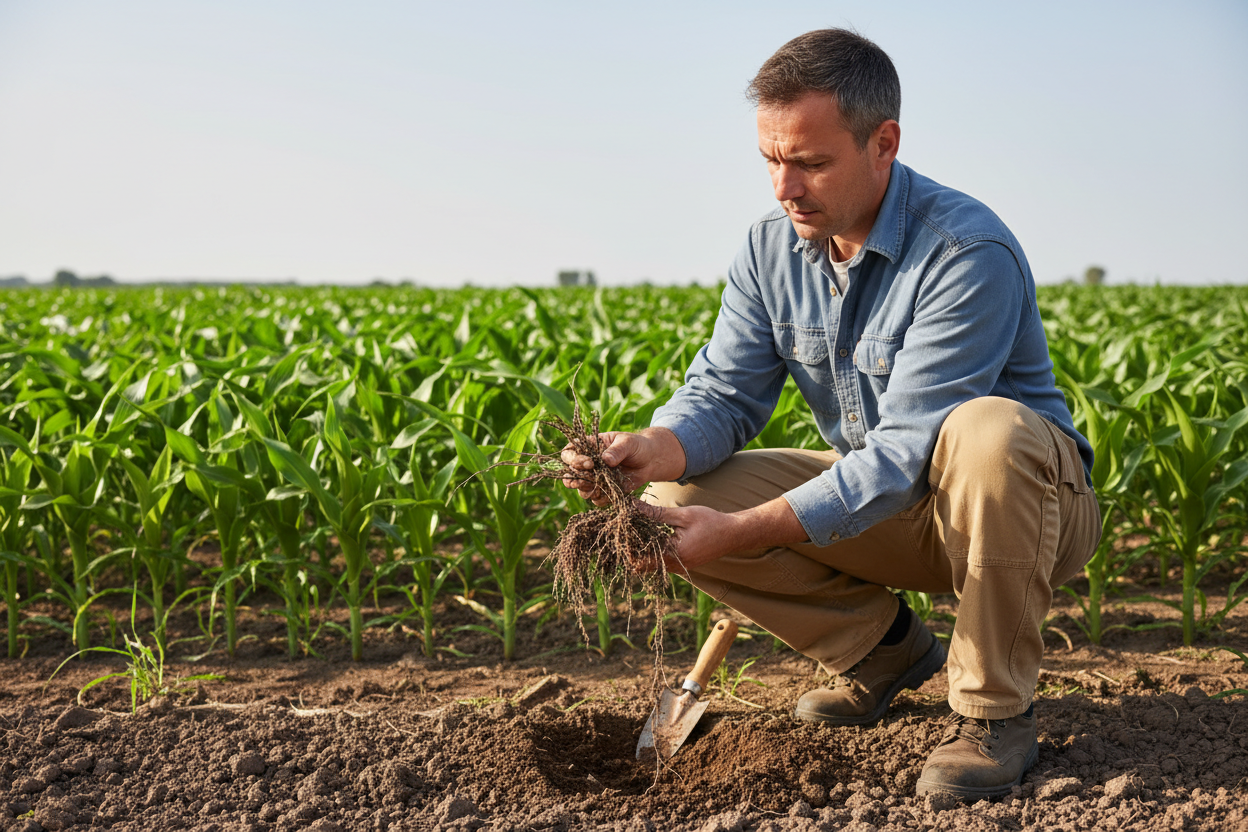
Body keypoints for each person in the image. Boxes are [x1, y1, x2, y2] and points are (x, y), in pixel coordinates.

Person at [562, 28, 1100, 801]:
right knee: (672, 499)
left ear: (884, 144)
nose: (785, 188)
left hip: (1019, 509)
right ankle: (879, 651)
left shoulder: (965, 251)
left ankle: (994, 713)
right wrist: (651, 446)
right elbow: (724, 392)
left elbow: (908, 449)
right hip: (888, 511)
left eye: (811, 163)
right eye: (771, 161)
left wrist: (743, 532)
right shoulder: (768, 249)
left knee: (989, 430)